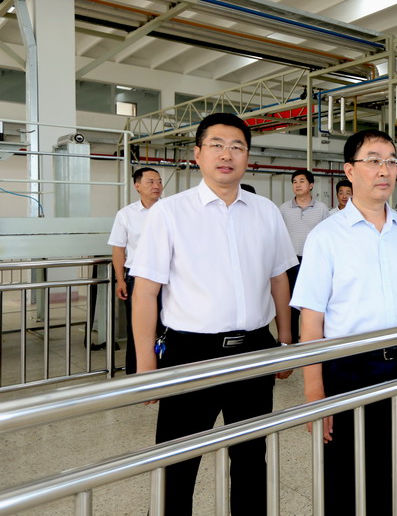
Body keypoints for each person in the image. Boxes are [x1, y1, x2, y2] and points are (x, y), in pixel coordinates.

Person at [130, 113, 296, 516]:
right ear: (198, 154)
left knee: (251, 456)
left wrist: (285, 342)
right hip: (191, 354)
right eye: (217, 145)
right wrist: (146, 366)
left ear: (247, 156)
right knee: (177, 460)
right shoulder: (170, 213)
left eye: (237, 147)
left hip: (254, 349)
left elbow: (279, 279)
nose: (227, 155)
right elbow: (146, 292)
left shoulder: (266, 211)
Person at [293, 129, 397, 515]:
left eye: (391, 161)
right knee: (343, 474)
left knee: (385, 468)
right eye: (373, 160)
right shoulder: (326, 236)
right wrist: (314, 392)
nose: (385, 170)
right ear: (350, 170)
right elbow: (312, 319)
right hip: (348, 368)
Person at [108, 166, 163, 373]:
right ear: (137, 186)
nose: (157, 186)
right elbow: (118, 249)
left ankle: (165, 371)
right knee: (138, 327)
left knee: (167, 324)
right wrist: (120, 280)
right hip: (137, 277)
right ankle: (136, 373)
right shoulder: (126, 214)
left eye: (159, 181)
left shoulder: (170, 210)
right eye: (151, 182)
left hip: (168, 276)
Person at [279, 169, 329, 341]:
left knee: (313, 304)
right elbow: (278, 236)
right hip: (290, 263)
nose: (297, 185)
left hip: (313, 263)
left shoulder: (321, 209)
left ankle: (315, 341)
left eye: (302, 181)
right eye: (294, 182)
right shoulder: (284, 209)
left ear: (311, 185)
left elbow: (326, 237)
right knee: (290, 305)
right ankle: (292, 343)